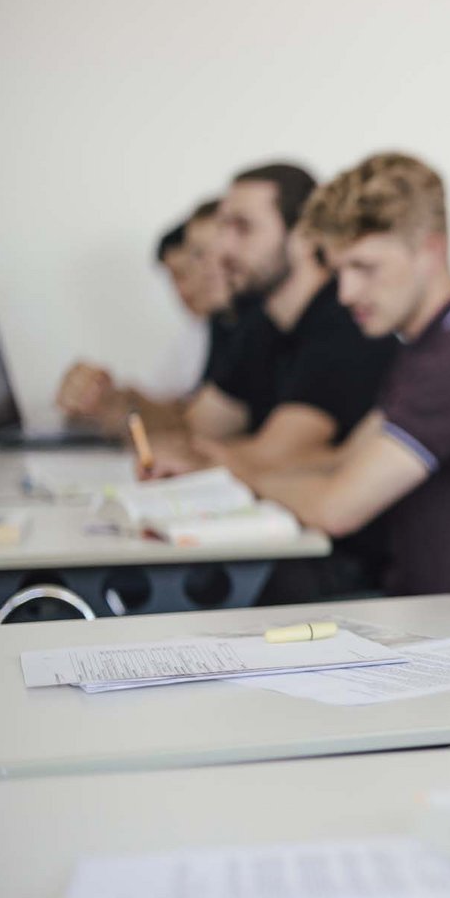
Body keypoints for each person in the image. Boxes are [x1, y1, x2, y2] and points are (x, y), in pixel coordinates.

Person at [205, 152, 450, 614]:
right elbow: (342, 463)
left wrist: (233, 472)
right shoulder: (431, 344)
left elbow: (335, 508)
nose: (346, 293)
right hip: (426, 617)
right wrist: (225, 466)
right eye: (339, 271)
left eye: (364, 268)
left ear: (430, 251)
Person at [147, 162, 398, 599]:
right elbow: (197, 427)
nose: (222, 249)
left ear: (304, 236)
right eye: (222, 227)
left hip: (343, 568)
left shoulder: (345, 327)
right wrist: (137, 418)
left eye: (242, 229)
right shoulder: (260, 324)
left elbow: (272, 456)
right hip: (282, 543)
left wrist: (209, 460)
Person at [55, 200, 234, 434]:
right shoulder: (205, 331)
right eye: (199, 257)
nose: (184, 290)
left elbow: (194, 427)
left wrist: (116, 406)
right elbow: (171, 411)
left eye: (185, 272)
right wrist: (100, 399)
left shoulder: (257, 330)